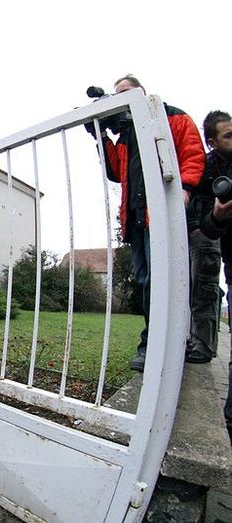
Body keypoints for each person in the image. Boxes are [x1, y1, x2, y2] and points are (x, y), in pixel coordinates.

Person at [98, 74, 205, 372]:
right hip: (136, 217)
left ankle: (162, 343)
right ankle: (156, 341)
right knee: (147, 281)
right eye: (115, 93)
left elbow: (192, 153)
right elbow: (116, 172)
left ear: (143, 93)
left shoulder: (171, 117)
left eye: (126, 92)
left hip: (162, 214)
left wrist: (185, 190)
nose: (121, 96)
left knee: (166, 280)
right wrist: (102, 137)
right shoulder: (127, 134)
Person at [195, 110, 232, 442]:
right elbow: (205, 223)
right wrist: (217, 215)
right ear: (213, 141)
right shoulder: (209, 170)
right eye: (228, 136)